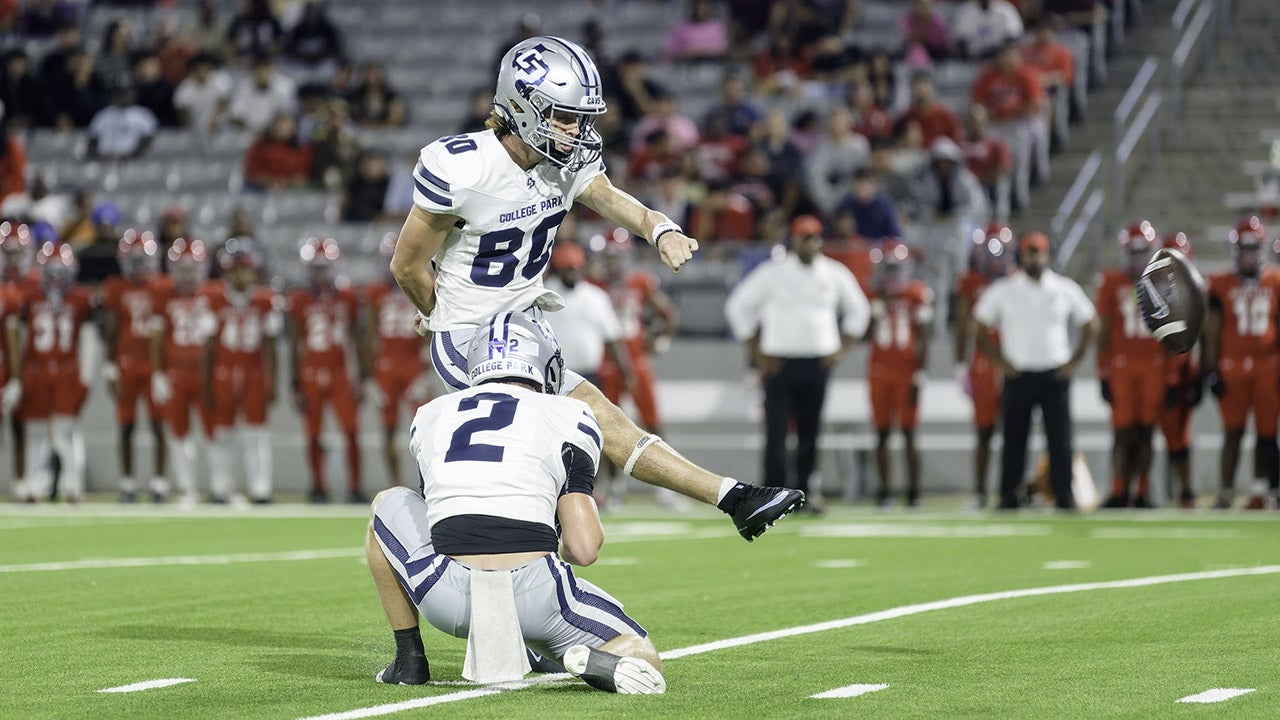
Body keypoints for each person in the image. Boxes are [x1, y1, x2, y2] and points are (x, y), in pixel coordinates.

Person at [389, 36, 806, 541]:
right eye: (562, 116)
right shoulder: (463, 166)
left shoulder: (564, 159)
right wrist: (439, 313)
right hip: (472, 335)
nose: (575, 130)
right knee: (542, 448)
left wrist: (659, 226)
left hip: (525, 326)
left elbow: (606, 196)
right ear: (521, 107)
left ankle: (734, 498)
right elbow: (407, 265)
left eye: (579, 117)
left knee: (599, 421)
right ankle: (454, 550)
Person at [367, 311, 665, 693]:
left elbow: (437, 514)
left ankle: (409, 660)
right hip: (537, 596)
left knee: (385, 504)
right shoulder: (570, 413)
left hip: (444, 597)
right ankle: (582, 655)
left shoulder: (430, 414)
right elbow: (584, 547)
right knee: (642, 656)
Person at [724, 215, 869, 511]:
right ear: (794, 239)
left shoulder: (833, 273)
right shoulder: (773, 273)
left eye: (814, 237)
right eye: (805, 237)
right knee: (776, 430)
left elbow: (859, 310)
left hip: (818, 362)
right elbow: (738, 306)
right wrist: (756, 351)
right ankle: (773, 493)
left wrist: (842, 350)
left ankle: (804, 492)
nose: (810, 243)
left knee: (810, 430)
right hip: (780, 362)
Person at [972, 231, 1097, 510]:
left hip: (1054, 373)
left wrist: (1075, 359)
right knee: (1014, 439)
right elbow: (979, 326)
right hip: (1019, 374)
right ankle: (1008, 495)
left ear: (1046, 255)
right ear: (1022, 255)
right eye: (1030, 252)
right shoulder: (1006, 288)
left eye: (1038, 252)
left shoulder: (1063, 288)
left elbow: (1090, 322)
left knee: (1060, 440)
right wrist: (1000, 362)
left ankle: (1065, 494)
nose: (1034, 257)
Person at [594, 229, 679, 506]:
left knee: (653, 423)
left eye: (617, 257)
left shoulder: (639, 282)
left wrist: (659, 339)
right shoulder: (593, 285)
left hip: (636, 361)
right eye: (608, 258)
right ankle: (614, 489)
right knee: (607, 429)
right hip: (605, 364)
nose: (613, 263)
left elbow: (668, 314)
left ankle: (667, 487)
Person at [1202, 216, 1280, 510]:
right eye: (1243, 249)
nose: (1248, 256)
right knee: (1232, 431)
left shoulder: (1276, 280)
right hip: (1231, 367)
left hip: (1268, 366)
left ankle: (1264, 492)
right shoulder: (1219, 283)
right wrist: (1209, 370)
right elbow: (1211, 330)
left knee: (1268, 433)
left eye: (1253, 248)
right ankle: (1225, 492)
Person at [7, 242, 93, 502]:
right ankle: (33, 482)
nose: (55, 278)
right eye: (51, 271)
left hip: (67, 370)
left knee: (66, 429)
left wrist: (86, 375)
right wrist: (18, 377)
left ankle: (73, 484)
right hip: (37, 369)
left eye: (60, 271)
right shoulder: (30, 297)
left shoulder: (79, 298)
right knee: (36, 430)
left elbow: (87, 340)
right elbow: (19, 338)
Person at [202, 238, 280, 504]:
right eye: (239, 269)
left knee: (257, 433)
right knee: (222, 432)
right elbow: (209, 345)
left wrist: (273, 381)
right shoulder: (214, 298)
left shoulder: (264, 299)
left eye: (247, 269)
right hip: (224, 370)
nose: (244, 274)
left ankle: (261, 488)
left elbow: (270, 346)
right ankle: (220, 486)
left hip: (253, 372)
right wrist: (206, 382)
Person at [288, 236, 364, 504]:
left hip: (340, 371)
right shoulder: (300, 298)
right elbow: (296, 341)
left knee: (352, 431)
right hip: (310, 370)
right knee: (312, 433)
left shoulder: (348, 296)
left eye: (325, 267)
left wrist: (361, 377)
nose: (321, 274)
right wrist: (293, 381)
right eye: (316, 268)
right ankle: (318, 486)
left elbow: (355, 338)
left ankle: (355, 487)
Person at [1095, 222, 1162, 508]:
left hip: (1154, 364)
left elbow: (1172, 331)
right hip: (1122, 365)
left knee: (1147, 431)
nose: (1137, 259)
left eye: (1142, 252)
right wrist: (1102, 370)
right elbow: (1104, 329)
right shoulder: (1111, 282)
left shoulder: (1164, 282)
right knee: (1122, 431)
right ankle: (1120, 488)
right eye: (1133, 252)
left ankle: (1142, 491)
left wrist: (1172, 373)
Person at [361, 232, 434, 488]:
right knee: (389, 428)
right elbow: (370, 334)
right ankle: (396, 484)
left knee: (425, 428)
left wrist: (426, 369)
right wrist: (369, 376)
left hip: (413, 362)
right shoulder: (376, 292)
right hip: (386, 364)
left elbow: (431, 324)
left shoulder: (419, 282)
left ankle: (427, 484)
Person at [865, 240, 933, 507]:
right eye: (888, 268)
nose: (892, 274)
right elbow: (865, 333)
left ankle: (913, 492)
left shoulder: (917, 293)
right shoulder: (874, 297)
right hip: (879, 371)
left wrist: (920, 375)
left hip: (906, 371)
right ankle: (884, 491)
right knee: (881, 433)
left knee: (908, 432)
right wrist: (878, 306)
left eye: (896, 267)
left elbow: (925, 338)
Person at [102, 229, 167, 502]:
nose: (140, 265)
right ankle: (127, 483)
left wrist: (163, 368)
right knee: (126, 425)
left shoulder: (162, 286)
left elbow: (166, 329)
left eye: (143, 259)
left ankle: (159, 484)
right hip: (127, 362)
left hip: (152, 364)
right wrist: (109, 364)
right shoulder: (117, 287)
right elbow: (112, 327)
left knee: (157, 424)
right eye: (135, 260)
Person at [150, 238, 215, 506]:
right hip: (176, 372)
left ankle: (218, 487)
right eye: (183, 268)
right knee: (178, 433)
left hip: (205, 372)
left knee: (214, 432)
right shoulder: (163, 293)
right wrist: (157, 373)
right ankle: (187, 488)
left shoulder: (213, 293)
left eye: (192, 268)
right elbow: (156, 336)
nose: (188, 274)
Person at [954, 223, 1014, 508]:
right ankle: (979, 491)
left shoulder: (1015, 280)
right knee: (984, 430)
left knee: (1016, 430)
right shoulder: (971, 282)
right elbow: (964, 326)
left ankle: (1011, 489)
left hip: (1013, 359)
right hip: (983, 361)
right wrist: (959, 364)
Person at [541, 242, 628, 390]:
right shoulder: (545, 295)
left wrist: (626, 372)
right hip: (556, 375)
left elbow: (612, 338)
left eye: (574, 269)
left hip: (590, 375)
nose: (572, 274)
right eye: (567, 269)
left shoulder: (596, 296)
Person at [1159, 232, 1202, 508]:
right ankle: (1135, 492)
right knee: (1135, 433)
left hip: (1184, 371)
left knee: (1179, 436)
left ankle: (1186, 492)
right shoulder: (1152, 288)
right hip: (1156, 371)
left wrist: (1198, 373)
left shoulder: (1198, 288)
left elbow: (1205, 335)